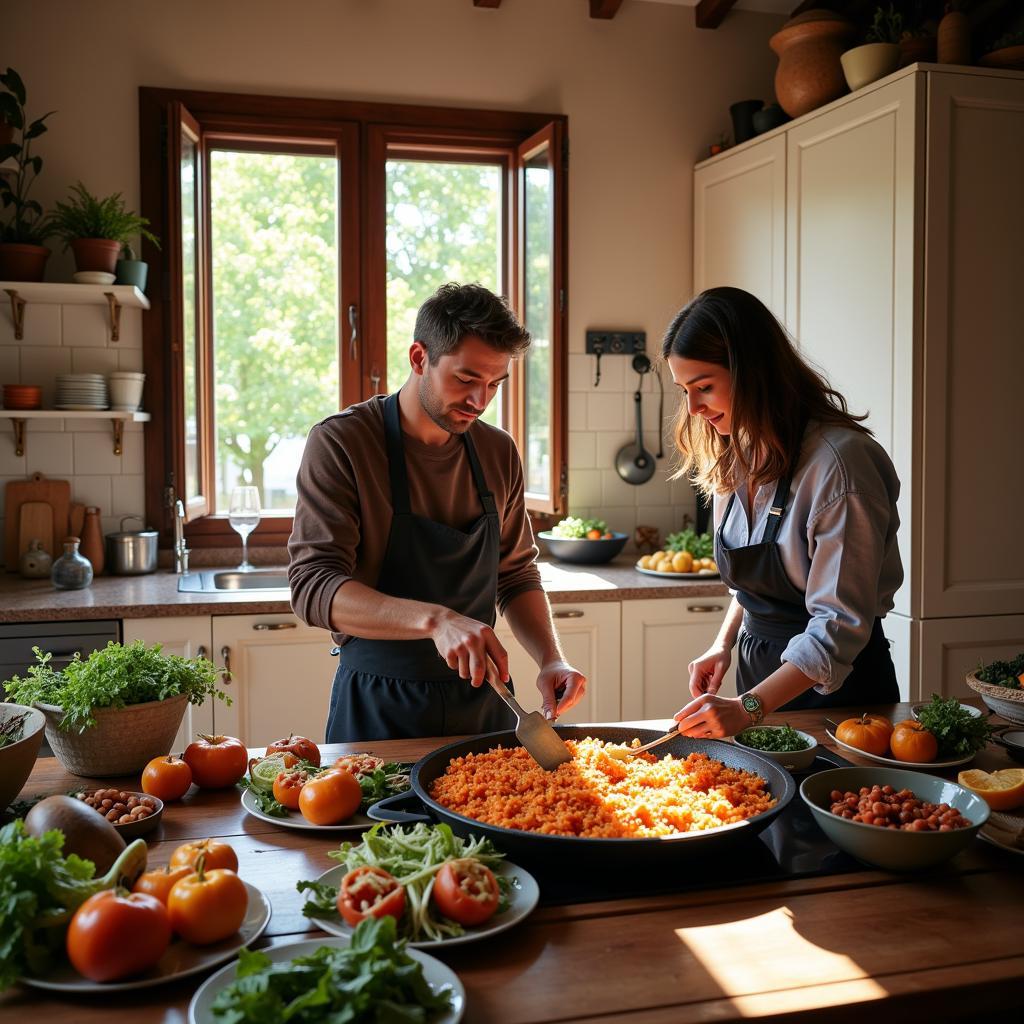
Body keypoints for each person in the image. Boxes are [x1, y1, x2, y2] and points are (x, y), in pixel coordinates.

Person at [288, 282, 586, 742]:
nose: (480, 401)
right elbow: (313, 586)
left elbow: (516, 575)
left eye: (494, 384)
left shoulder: (497, 451)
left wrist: (551, 657)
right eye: (466, 379)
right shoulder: (343, 442)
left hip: (488, 702)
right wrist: (436, 620)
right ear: (418, 358)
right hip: (379, 706)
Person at [663, 286, 902, 739]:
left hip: (840, 697)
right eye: (684, 391)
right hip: (756, 685)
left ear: (754, 373)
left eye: (705, 387)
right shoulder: (736, 450)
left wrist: (749, 706)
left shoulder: (841, 464)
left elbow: (837, 625)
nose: (693, 409)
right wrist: (722, 645)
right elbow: (758, 584)